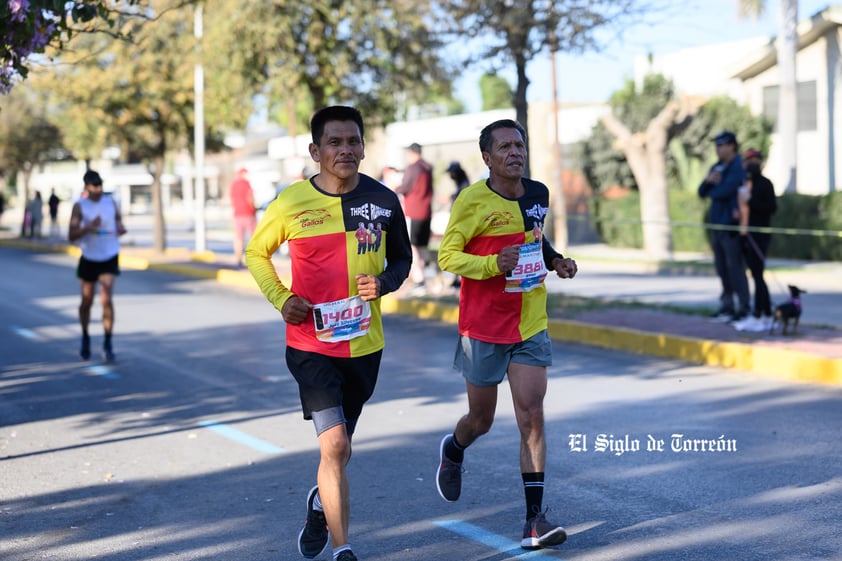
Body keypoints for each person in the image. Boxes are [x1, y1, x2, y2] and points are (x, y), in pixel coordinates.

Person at [246, 105, 412, 561]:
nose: (346, 149)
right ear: (315, 150)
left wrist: (384, 283)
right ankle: (344, 550)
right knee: (334, 444)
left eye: (353, 141)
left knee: (340, 451)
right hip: (311, 345)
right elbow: (256, 253)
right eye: (335, 142)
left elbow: (402, 259)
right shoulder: (291, 201)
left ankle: (321, 505)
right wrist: (281, 299)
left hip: (364, 344)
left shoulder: (383, 200)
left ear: (363, 146)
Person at [435, 119, 578, 551]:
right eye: (505, 147)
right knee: (481, 419)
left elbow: (537, 238)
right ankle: (455, 447)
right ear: (487, 158)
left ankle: (534, 520)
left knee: (531, 414)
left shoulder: (538, 195)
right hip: (482, 324)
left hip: (529, 320)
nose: (515, 152)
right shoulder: (471, 200)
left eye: (519, 145)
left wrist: (555, 261)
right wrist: (492, 264)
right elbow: (447, 256)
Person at [68, 170, 127, 361]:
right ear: (87, 187)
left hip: (109, 255)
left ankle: (107, 341)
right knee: (87, 301)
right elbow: (71, 235)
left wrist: (120, 228)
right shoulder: (80, 206)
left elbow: (118, 223)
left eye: (101, 185)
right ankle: (85, 336)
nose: (99, 189)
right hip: (89, 257)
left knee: (106, 298)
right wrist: (88, 226)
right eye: (95, 186)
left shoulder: (111, 202)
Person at [698, 130, 750, 322]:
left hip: (731, 227)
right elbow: (702, 192)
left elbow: (726, 191)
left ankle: (743, 307)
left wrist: (714, 188)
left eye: (721, 145)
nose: (718, 149)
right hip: (716, 225)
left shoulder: (738, 167)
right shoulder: (717, 167)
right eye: (717, 146)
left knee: (735, 267)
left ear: (731, 146)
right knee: (722, 268)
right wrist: (708, 181)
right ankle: (727, 306)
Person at [733, 149, 778, 332]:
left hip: (758, 236)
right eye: (748, 161)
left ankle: (760, 314)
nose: (752, 164)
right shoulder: (745, 183)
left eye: (755, 160)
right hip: (745, 234)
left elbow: (771, 207)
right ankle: (764, 313)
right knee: (755, 275)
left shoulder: (765, 184)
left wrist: (751, 201)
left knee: (758, 276)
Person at [395, 142, 433, 294]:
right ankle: (421, 279)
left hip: (414, 211)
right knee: (421, 246)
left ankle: (419, 281)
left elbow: (405, 187)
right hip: (427, 211)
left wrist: (392, 189)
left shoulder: (413, 168)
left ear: (411, 153)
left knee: (412, 247)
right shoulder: (427, 167)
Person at [229, 167, 257, 267]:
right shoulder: (246, 184)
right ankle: (253, 260)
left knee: (238, 238)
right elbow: (250, 197)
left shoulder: (233, 185)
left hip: (237, 215)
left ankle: (238, 259)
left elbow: (231, 199)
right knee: (254, 237)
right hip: (248, 214)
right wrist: (254, 208)